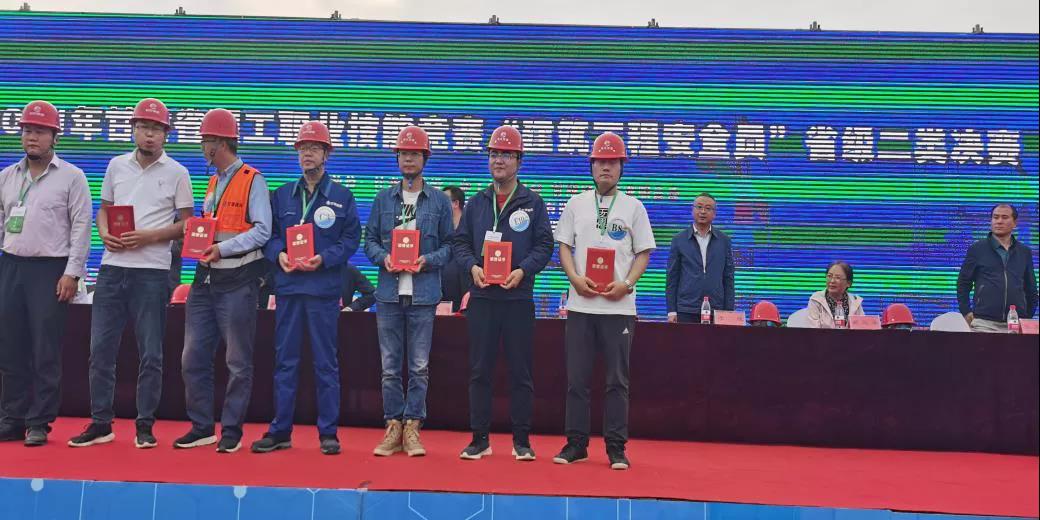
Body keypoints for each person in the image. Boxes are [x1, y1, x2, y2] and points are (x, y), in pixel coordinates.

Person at [69, 98, 193, 449]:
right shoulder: (116, 166)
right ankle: (100, 422)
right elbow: (104, 209)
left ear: (166, 134)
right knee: (100, 350)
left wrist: (149, 237)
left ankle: (144, 424)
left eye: (156, 129)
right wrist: (104, 232)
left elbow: (187, 224)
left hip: (152, 272)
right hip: (111, 269)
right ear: (133, 130)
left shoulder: (178, 173)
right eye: (143, 127)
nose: (149, 134)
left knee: (150, 353)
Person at [251, 121, 360, 456]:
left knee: (325, 364)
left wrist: (324, 259)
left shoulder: (341, 196)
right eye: (302, 148)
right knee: (285, 361)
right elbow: (269, 236)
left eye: (314, 148)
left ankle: (328, 432)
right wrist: (279, 254)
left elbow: (350, 240)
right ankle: (280, 430)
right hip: (288, 290)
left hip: (323, 291)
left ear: (326, 154)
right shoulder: (282, 194)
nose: (307, 154)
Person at [551, 132, 654, 471]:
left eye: (612, 162)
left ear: (621, 167)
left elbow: (643, 252)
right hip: (580, 306)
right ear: (591, 166)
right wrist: (574, 279)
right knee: (576, 380)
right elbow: (564, 246)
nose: (605, 167)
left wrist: (626, 284)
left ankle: (616, 447)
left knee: (617, 381)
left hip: (618, 308)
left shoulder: (634, 207)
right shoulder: (576, 203)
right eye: (600, 161)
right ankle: (576, 444)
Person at [452, 125, 554, 461]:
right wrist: (472, 267)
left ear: (519, 161)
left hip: (517, 298)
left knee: (520, 371)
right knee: (479, 370)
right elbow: (460, 243)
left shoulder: (533, 202)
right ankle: (479, 439)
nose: (499, 160)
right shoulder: (477, 203)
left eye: (506, 155)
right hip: (482, 297)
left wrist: (522, 270)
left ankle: (522, 441)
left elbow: (544, 246)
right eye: (494, 154)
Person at [174, 108, 272, 453]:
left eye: (206, 141)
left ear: (220, 143)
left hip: (238, 281)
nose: (203, 148)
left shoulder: (252, 179)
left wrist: (222, 248)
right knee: (192, 357)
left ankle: (231, 430)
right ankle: (202, 426)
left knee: (237, 361)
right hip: (205, 281)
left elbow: (263, 231)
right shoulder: (214, 181)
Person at [0, 101, 92, 447]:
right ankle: (12, 418)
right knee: (10, 347)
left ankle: (39, 421)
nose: (32, 137)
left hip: (51, 270)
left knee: (45, 349)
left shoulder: (72, 177)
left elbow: (81, 227)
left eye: (39, 131)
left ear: (55, 136)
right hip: (11, 265)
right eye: (27, 131)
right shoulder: (7, 176)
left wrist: (72, 273)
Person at [365, 125, 454, 457]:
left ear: (424, 159)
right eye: (403, 153)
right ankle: (393, 426)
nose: (408, 159)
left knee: (418, 366)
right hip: (389, 293)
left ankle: (413, 426)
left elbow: (450, 246)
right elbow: (369, 241)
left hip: (423, 294)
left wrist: (426, 261)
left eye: (415, 154)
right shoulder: (383, 198)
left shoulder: (439, 201)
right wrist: (384, 258)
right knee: (389, 366)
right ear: (397, 158)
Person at [957, 204, 1037, 332]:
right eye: (995, 217)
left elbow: (1031, 288)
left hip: (1016, 323)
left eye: (1004, 217)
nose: (999, 221)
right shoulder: (977, 249)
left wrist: (1026, 317)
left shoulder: (1024, 252)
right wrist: (966, 311)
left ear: (1015, 223)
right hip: (984, 323)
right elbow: (963, 283)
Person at [665, 192, 734, 323]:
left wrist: (728, 312)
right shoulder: (679, 240)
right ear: (692, 210)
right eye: (699, 207)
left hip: (716, 309)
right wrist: (671, 311)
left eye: (708, 208)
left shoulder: (724, 241)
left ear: (714, 213)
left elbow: (728, 278)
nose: (703, 212)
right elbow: (672, 278)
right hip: (686, 309)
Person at [806, 261, 865, 329]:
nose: (832, 281)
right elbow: (813, 331)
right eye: (829, 276)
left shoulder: (855, 301)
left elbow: (862, 330)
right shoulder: (816, 300)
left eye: (837, 278)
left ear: (848, 283)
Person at [440, 186, 472, 312]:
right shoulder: (439, 229)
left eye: (443, 200)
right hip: (441, 295)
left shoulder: (471, 228)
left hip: (466, 295)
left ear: (455, 203)